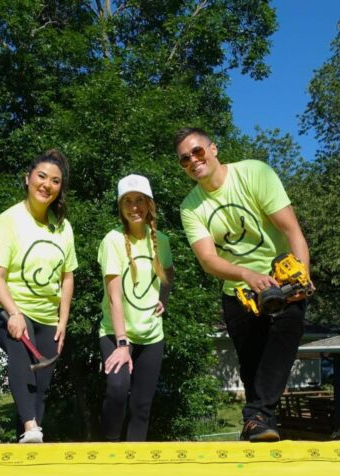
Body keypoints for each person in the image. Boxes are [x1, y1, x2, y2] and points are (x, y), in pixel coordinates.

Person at [175, 128, 311, 442]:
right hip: (239, 291)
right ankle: (259, 428)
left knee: (284, 339)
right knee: (252, 368)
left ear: (213, 148)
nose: (193, 161)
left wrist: (301, 275)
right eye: (185, 159)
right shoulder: (190, 207)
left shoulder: (255, 173)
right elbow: (209, 260)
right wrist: (247, 276)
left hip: (281, 280)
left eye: (197, 152)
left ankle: (256, 418)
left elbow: (291, 229)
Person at [0, 149, 77, 444]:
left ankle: (29, 440)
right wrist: (14, 313)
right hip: (5, 310)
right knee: (21, 351)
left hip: (48, 318)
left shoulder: (62, 227)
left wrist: (62, 321)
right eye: (41, 176)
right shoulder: (7, 221)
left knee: (40, 383)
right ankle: (29, 426)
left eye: (55, 180)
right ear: (28, 179)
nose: (47, 184)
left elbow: (68, 276)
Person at [98, 174, 174, 441]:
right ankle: (108, 450)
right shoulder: (112, 241)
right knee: (118, 391)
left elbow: (169, 274)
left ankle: (133, 460)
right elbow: (115, 296)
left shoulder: (161, 241)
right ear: (121, 207)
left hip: (152, 336)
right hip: (115, 334)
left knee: (142, 406)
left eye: (139, 200)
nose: (134, 207)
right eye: (127, 201)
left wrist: (163, 299)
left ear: (149, 204)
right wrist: (122, 344)